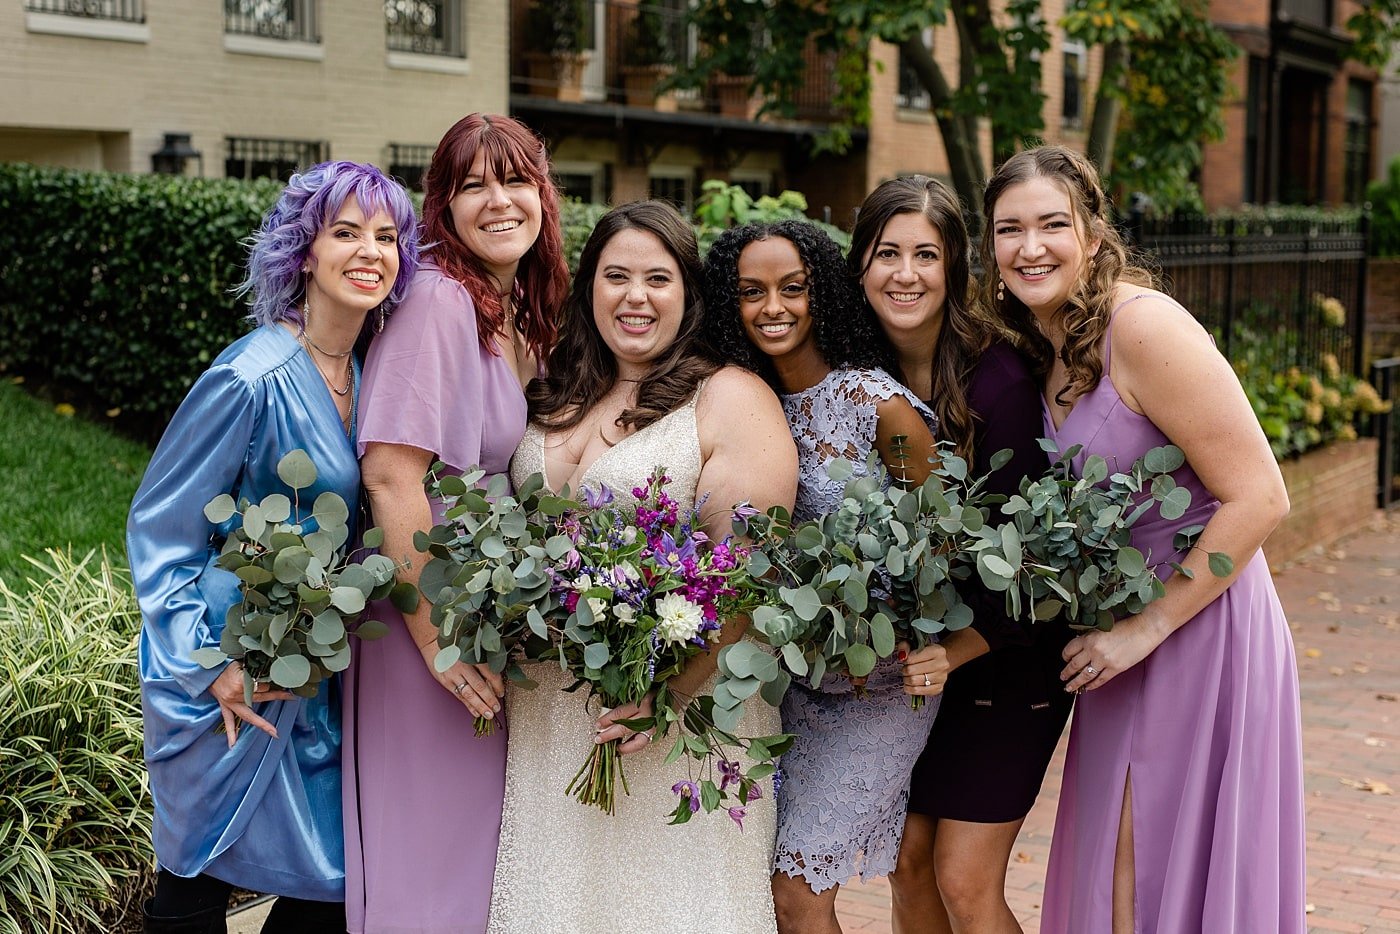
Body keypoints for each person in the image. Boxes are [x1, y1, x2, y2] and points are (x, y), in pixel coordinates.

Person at [982, 145, 1305, 933]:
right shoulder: (1041, 346)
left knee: (1145, 871)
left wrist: (1147, 626)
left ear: (1093, 236)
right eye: (1009, 229)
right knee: (1115, 878)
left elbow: (1262, 496)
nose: (1031, 247)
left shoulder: (1144, 325)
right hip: (1117, 643)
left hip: (1198, 626)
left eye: (1053, 225)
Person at [487, 201, 797, 934]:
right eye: (615, 275)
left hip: (677, 717)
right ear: (588, 285)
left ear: (688, 293)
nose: (635, 296)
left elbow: (749, 578)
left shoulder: (729, 399)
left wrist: (669, 695)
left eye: (658, 278)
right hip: (552, 715)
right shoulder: (551, 387)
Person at [127, 160, 418, 933]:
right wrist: (212, 663)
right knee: (196, 884)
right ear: (304, 251)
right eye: (347, 232)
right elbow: (162, 526)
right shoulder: (249, 375)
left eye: (387, 236)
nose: (371, 252)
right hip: (224, 670)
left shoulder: (369, 370)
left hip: (317, 674)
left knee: (324, 881)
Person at [343, 114, 569, 933]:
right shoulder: (438, 299)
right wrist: (436, 639)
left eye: (514, 180)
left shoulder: (513, 310)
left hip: (483, 611)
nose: (498, 200)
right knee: (430, 867)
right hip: (425, 620)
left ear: (542, 194)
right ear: (442, 205)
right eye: (472, 184)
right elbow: (391, 476)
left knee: (475, 866)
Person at [849, 176, 1074, 934]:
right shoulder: (858, 371)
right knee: (907, 864)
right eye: (887, 253)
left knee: (963, 880)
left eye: (925, 254)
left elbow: (1037, 564)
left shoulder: (999, 381)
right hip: (918, 666)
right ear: (861, 265)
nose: (905, 274)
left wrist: (957, 649)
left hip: (1009, 658)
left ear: (953, 268)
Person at [703, 219, 940, 934]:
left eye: (792, 288)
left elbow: (939, 548)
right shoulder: (735, 402)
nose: (773, 306)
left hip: (880, 687)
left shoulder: (877, 404)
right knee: (777, 891)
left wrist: (884, 620)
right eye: (751, 292)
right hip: (787, 689)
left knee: (797, 890)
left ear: (823, 295)